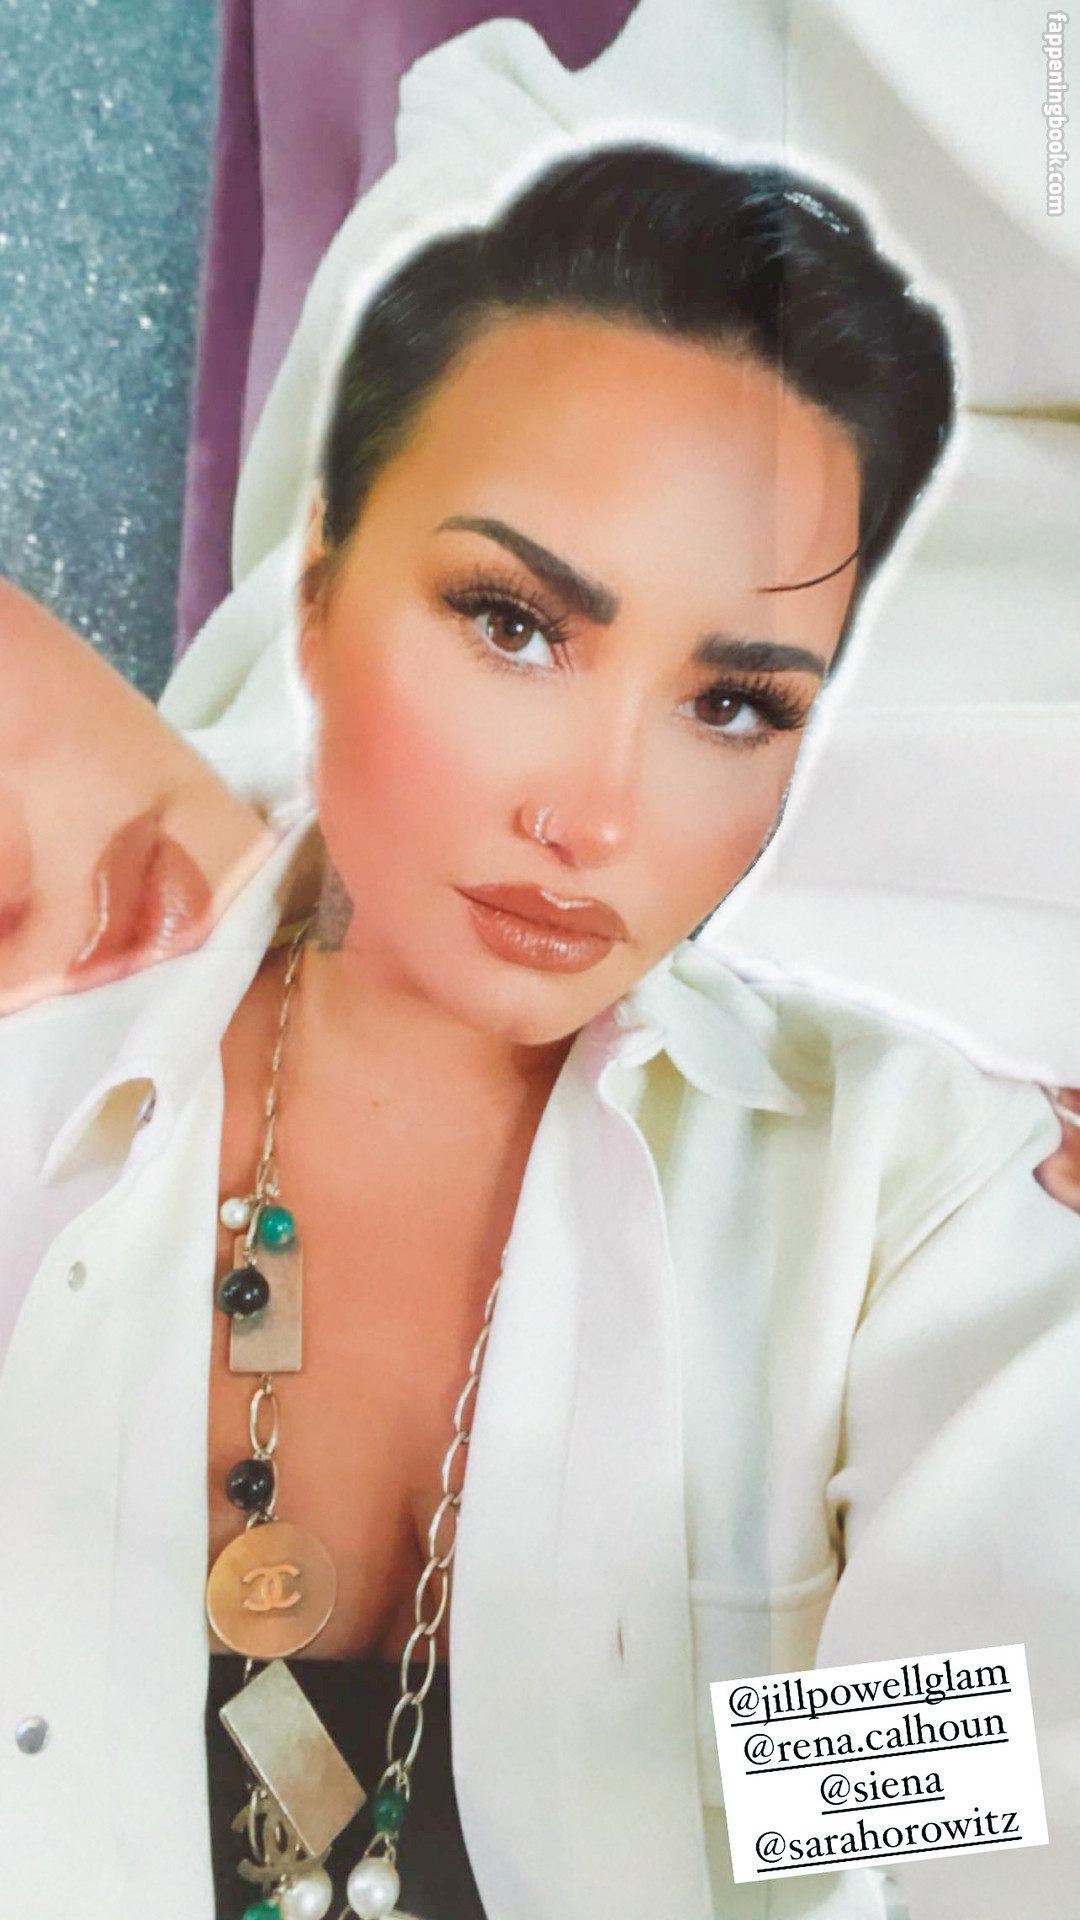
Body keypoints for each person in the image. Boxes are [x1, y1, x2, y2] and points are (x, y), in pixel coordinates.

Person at [2, 142, 1079, 1920]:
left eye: (732, 704)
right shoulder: (54, 1087)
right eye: (513, 625)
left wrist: (691, 1780)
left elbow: (1027, 1778)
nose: (595, 816)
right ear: (321, 588)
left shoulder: (904, 1181)